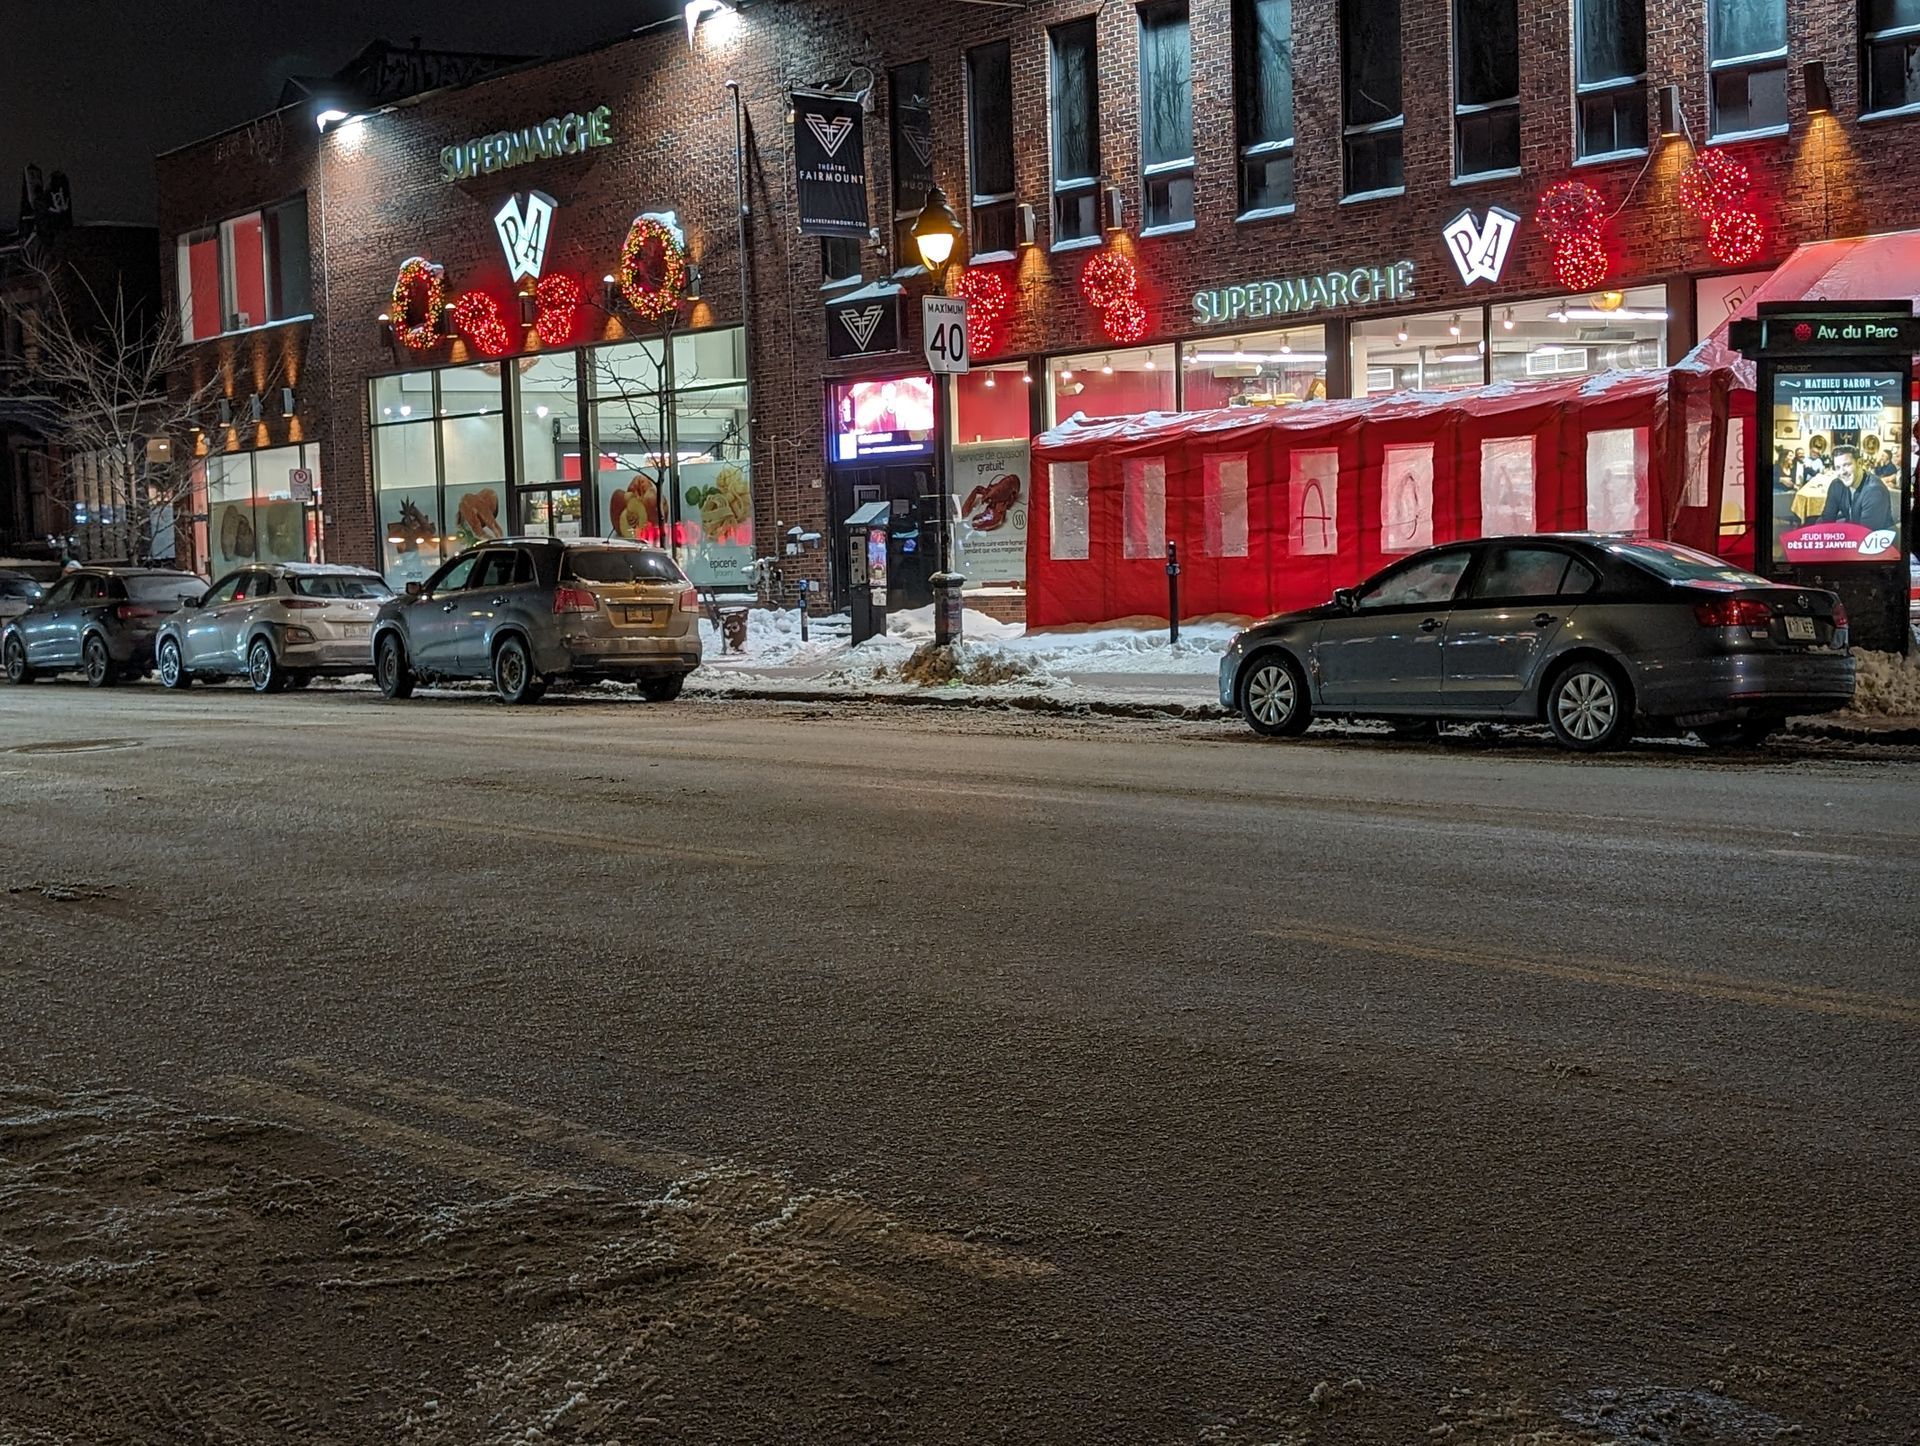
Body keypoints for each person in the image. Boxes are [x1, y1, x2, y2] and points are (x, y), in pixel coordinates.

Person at [1817, 445, 1897, 531]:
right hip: (1853, 532)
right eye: (1838, 467)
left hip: (1878, 540)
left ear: (1859, 463)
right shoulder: (1836, 485)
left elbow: (1867, 535)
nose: (1842, 472)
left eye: (1846, 465)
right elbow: (1827, 519)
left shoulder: (1875, 491)